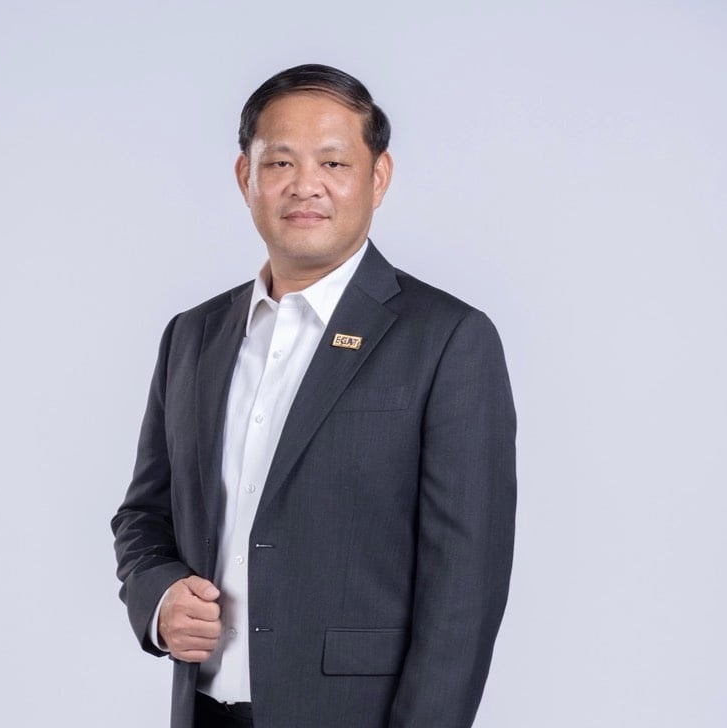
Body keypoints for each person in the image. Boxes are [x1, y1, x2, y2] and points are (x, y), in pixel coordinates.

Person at [112, 63, 516, 728]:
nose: (305, 185)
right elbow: (143, 517)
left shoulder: (447, 339)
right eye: (280, 163)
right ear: (245, 177)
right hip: (204, 712)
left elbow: (463, 593)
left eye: (333, 162)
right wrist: (158, 599)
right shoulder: (193, 335)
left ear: (377, 177)